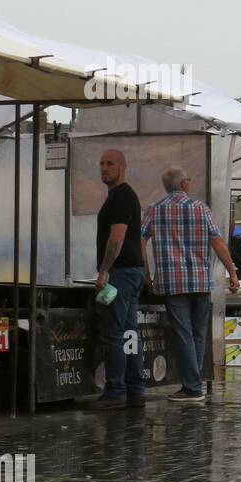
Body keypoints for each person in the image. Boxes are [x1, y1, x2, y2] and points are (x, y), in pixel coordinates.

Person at [141, 166, 240, 404]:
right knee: (198, 333)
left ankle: (192, 387)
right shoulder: (200, 209)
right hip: (200, 280)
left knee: (183, 334)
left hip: (172, 282)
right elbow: (218, 243)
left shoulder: (155, 210)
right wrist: (232, 273)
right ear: (184, 184)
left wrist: (147, 273)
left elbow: (140, 242)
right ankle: (192, 385)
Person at [92, 149, 146, 410]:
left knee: (115, 333)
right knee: (129, 332)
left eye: (110, 163)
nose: (104, 168)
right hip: (132, 272)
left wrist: (104, 270)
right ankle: (136, 389)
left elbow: (117, 237)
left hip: (121, 273)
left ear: (123, 167)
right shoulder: (121, 196)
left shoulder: (121, 196)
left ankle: (116, 390)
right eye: (102, 164)